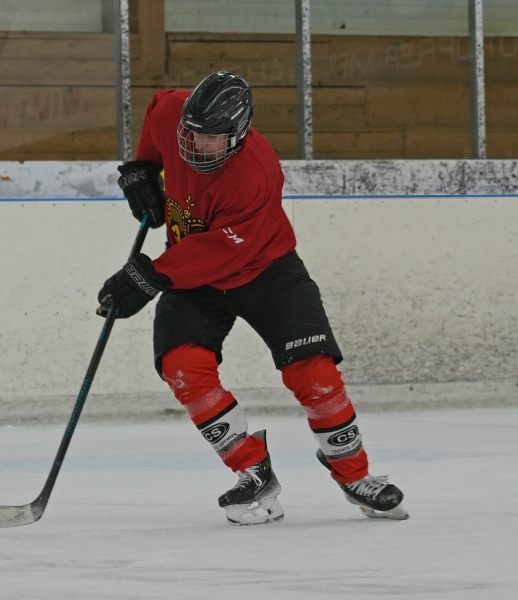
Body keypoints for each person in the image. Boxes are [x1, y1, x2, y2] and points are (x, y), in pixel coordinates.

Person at [96, 71, 408, 526]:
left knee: (314, 374)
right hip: (191, 273)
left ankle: (354, 475)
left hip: (265, 270)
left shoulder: (256, 174)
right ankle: (252, 470)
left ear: (238, 135)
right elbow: (157, 107)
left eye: (210, 140)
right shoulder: (173, 116)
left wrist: (149, 276)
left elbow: (221, 249)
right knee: (183, 369)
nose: (194, 147)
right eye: (191, 135)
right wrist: (142, 166)